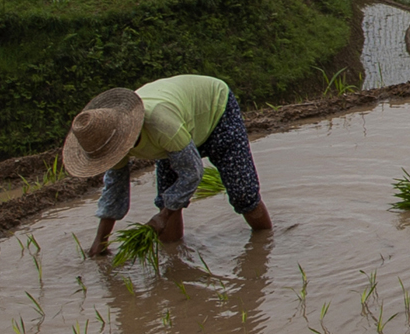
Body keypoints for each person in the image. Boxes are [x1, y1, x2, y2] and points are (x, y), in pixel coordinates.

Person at [60, 72, 274, 256]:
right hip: (179, 125)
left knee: (243, 193)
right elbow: (114, 191)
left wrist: (162, 217)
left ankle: (267, 245)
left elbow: (192, 173)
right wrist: (101, 240)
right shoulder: (112, 141)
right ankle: (175, 263)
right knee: (166, 199)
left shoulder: (159, 124)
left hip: (216, 111)